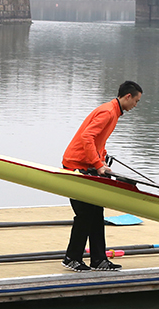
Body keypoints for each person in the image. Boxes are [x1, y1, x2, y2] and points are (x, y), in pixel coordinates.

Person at [61, 81, 143, 272]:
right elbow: (87, 137)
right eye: (136, 101)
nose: (135, 106)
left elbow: (99, 141)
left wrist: (102, 161)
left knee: (96, 213)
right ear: (128, 97)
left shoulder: (114, 112)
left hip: (87, 165)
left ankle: (98, 260)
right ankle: (71, 258)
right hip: (76, 167)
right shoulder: (108, 112)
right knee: (85, 214)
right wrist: (97, 165)